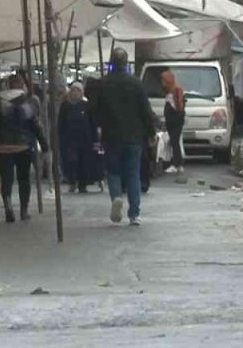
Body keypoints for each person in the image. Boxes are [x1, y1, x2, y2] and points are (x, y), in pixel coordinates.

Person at [91, 48, 155, 226]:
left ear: (111, 62)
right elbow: (145, 110)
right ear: (126, 63)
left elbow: (96, 110)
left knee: (113, 172)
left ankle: (116, 197)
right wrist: (151, 132)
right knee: (133, 173)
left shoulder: (103, 84)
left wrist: (98, 130)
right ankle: (134, 214)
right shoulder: (136, 83)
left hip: (111, 136)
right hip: (134, 136)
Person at [0, 74, 48, 223]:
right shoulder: (28, 103)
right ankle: (24, 211)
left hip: (2, 147)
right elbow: (36, 126)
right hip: (23, 146)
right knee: (23, 179)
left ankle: (8, 206)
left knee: (6, 179)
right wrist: (45, 144)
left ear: (7, 86)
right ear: (22, 86)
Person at [58, 82, 97, 193]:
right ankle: (72, 182)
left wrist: (95, 139)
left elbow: (92, 122)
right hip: (69, 139)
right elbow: (61, 123)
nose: (75, 93)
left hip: (85, 139)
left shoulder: (87, 105)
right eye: (73, 90)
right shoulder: (65, 106)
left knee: (84, 162)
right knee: (71, 162)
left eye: (78, 91)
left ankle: (82, 184)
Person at [162, 70, 187, 175]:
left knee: (175, 142)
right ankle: (176, 164)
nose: (162, 83)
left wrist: (176, 116)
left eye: (163, 80)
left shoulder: (176, 90)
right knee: (174, 142)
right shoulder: (169, 91)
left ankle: (178, 164)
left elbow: (179, 106)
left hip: (176, 121)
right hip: (172, 121)